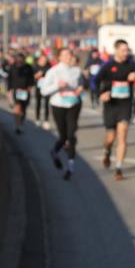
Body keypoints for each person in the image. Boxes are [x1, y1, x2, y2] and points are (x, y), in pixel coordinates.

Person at [97, 40, 135, 181]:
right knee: (110, 138)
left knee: (123, 135)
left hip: (125, 105)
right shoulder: (107, 66)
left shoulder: (131, 64)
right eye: (123, 50)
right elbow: (94, 81)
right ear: (116, 50)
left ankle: (119, 168)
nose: (126, 53)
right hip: (110, 105)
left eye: (127, 50)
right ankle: (107, 151)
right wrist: (100, 94)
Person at [38, 48, 85, 181]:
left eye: (70, 54)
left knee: (71, 136)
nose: (68, 57)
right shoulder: (53, 71)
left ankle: (71, 166)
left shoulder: (76, 70)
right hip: (58, 105)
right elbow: (43, 91)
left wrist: (81, 88)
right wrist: (57, 86)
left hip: (73, 105)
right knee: (63, 136)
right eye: (64, 55)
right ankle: (54, 152)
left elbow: (82, 83)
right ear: (59, 57)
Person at [6, 52, 35, 134]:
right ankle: (18, 125)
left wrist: (30, 88)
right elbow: (9, 79)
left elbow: (31, 79)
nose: (20, 60)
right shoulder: (12, 67)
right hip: (16, 90)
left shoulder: (28, 67)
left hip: (26, 91)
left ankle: (21, 120)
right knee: (17, 107)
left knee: (24, 108)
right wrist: (9, 91)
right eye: (18, 59)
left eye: (21, 59)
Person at [33, 54, 53, 129]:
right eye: (42, 60)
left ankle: (46, 120)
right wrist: (36, 76)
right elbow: (31, 77)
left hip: (47, 88)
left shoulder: (49, 67)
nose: (44, 61)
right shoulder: (35, 67)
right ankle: (37, 119)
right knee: (38, 103)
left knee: (47, 104)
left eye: (45, 60)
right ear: (39, 60)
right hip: (38, 87)